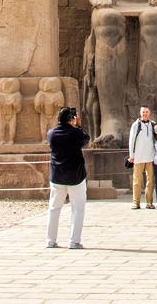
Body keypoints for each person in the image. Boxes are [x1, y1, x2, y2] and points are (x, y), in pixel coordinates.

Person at [45, 106, 88, 249]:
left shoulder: (51, 133)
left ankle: (50, 240)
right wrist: (78, 126)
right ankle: (74, 240)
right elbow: (85, 139)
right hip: (75, 175)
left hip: (57, 175)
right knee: (78, 208)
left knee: (54, 208)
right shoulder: (75, 133)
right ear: (72, 119)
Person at [126, 105, 157, 209]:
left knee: (150, 180)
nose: (145, 114)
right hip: (138, 157)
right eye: (143, 112)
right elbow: (131, 140)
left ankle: (149, 202)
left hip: (150, 157)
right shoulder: (136, 125)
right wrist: (131, 155)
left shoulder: (153, 125)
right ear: (140, 113)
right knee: (137, 180)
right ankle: (136, 202)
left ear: (150, 113)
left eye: (146, 112)